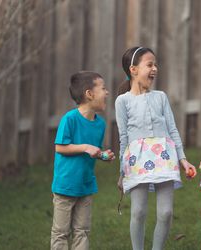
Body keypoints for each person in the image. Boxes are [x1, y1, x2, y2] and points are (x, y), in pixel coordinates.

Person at [115, 46, 196, 250]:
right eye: (149, 65)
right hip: (137, 161)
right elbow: (123, 137)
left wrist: (183, 159)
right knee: (138, 212)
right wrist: (121, 171)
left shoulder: (161, 97)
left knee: (166, 212)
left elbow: (173, 130)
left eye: (155, 64)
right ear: (133, 69)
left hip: (165, 158)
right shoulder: (122, 101)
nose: (155, 69)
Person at [51, 71, 115, 250]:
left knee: (82, 230)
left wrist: (102, 155)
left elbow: (91, 151)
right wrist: (86, 147)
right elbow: (60, 147)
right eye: (103, 88)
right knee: (61, 232)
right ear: (89, 94)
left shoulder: (100, 123)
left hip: (85, 185)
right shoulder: (70, 119)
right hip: (65, 186)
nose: (107, 92)